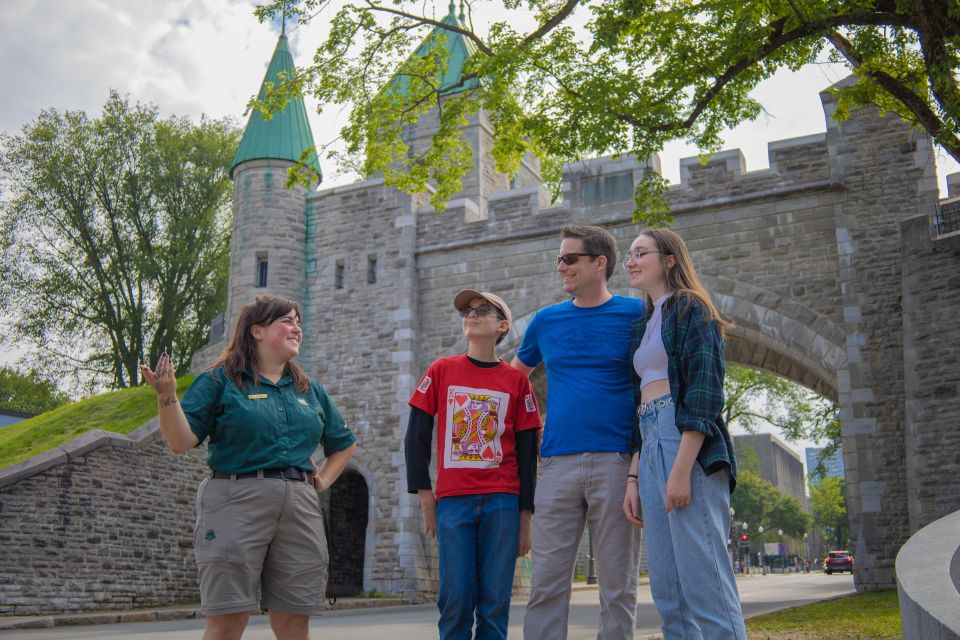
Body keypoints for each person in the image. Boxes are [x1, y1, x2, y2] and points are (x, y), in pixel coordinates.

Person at [140, 294, 357, 640]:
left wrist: (323, 480)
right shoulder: (219, 380)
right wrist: (167, 396)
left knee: (295, 619)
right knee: (228, 617)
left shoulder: (308, 388)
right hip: (235, 498)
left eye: (299, 322)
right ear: (257, 331)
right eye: (287, 321)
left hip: (300, 507)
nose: (297, 329)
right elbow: (180, 441)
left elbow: (343, 443)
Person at [512, 225, 644, 640]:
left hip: (617, 464)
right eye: (559, 259)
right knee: (547, 585)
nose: (561, 267)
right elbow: (516, 382)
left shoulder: (637, 314)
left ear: (599, 263)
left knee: (618, 586)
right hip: (555, 465)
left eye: (570, 259)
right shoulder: (546, 321)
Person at [621, 228, 746, 640]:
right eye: (629, 255)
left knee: (704, 580)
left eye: (641, 253)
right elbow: (641, 403)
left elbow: (705, 391)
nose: (631, 261)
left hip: (685, 443)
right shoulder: (644, 322)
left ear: (670, 260)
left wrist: (680, 469)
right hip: (650, 436)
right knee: (668, 590)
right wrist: (635, 477)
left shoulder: (691, 308)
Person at [405, 289, 541, 640]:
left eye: (482, 311)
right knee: (455, 600)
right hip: (454, 502)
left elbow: (528, 454)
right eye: (467, 311)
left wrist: (526, 516)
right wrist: (426, 499)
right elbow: (416, 436)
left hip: (502, 502)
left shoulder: (517, 382)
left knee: (495, 604)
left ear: (502, 325)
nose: (472, 315)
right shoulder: (441, 370)